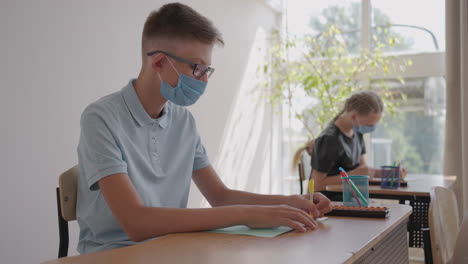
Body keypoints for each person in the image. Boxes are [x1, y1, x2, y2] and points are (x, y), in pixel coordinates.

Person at [76, 3, 332, 254]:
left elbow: (220, 196)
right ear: (158, 63)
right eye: (197, 68)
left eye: (207, 69)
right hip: (112, 255)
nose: (204, 79)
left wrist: (290, 203)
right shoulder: (100, 118)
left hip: (171, 249)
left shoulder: (183, 122)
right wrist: (247, 214)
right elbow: (136, 223)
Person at [306, 91, 406, 191]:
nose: (371, 128)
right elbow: (316, 185)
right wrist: (352, 175)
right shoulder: (329, 140)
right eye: (369, 124)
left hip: (351, 196)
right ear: (354, 116)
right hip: (330, 202)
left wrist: (391, 174)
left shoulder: (357, 133)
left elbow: (363, 170)